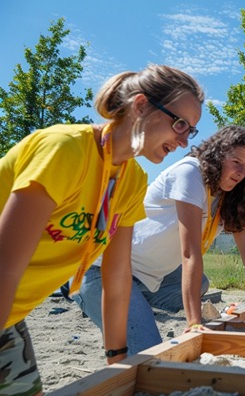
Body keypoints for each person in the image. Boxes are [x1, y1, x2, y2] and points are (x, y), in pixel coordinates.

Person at [0, 64, 204, 395]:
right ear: (140, 106)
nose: (182, 142)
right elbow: (5, 267)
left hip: (10, 314)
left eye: (190, 131)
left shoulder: (132, 180)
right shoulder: (64, 149)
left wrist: (118, 359)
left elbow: (118, 276)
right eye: (179, 124)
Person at [72, 126, 245, 354]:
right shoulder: (191, 173)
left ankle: (134, 308)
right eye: (236, 162)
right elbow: (190, 252)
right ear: (219, 154)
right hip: (104, 271)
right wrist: (194, 323)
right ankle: (107, 305)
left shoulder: (230, 195)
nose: (241, 172)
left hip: (146, 277)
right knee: (149, 355)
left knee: (201, 283)